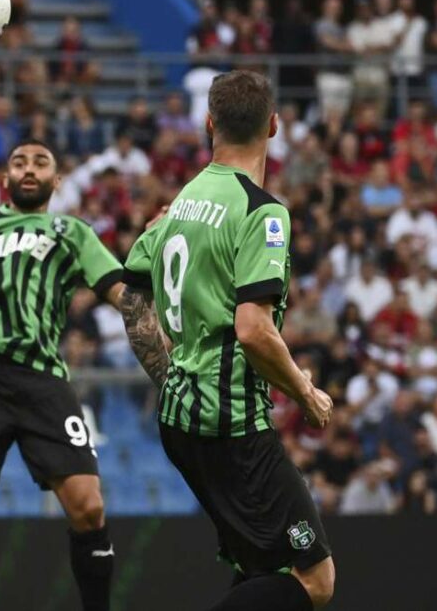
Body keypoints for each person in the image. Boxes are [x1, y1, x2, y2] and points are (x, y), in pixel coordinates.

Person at [120, 70, 336, 610]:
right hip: (231, 423)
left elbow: (132, 295)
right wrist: (305, 393)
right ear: (275, 126)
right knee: (314, 578)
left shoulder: (182, 203)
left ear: (209, 124)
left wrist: (170, 377)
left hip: (181, 418)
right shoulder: (261, 210)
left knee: (259, 563)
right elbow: (253, 330)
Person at [0, 139, 124, 611]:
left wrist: (147, 268)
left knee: (89, 507)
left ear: (57, 180)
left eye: (40, 162)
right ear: (4, 179)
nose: (28, 169)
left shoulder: (71, 230)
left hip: (43, 379)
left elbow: (118, 291)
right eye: (18, 162)